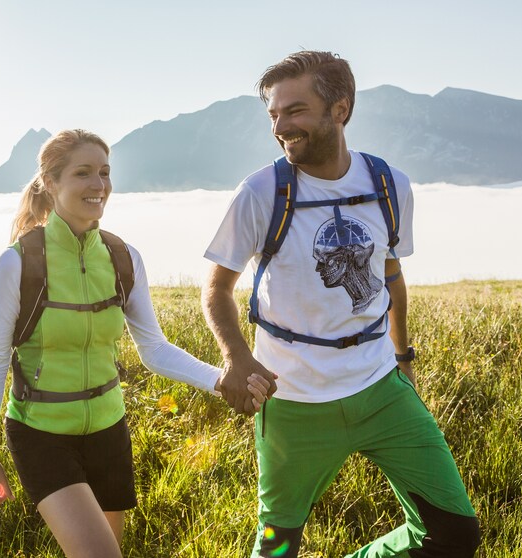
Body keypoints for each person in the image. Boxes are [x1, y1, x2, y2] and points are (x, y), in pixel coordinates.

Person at [201, 52, 481, 557]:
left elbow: (390, 274)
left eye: (296, 111)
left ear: (340, 110)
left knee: (454, 535)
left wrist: (403, 359)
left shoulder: (389, 185)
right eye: (274, 115)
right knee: (276, 549)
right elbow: (216, 289)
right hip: (292, 404)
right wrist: (237, 358)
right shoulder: (261, 192)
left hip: (382, 390)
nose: (282, 126)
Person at [0, 129, 271, 558]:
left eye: (105, 173)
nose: (99, 185)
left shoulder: (122, 257)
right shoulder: (17, 263)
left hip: (109, 432)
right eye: (84, 173)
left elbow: (154, 349)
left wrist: (221, 381)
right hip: (42, 435)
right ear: (51, 183)